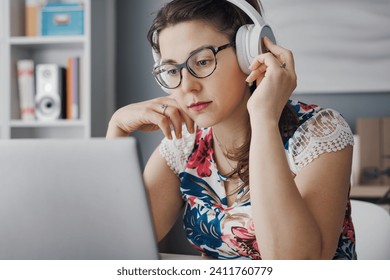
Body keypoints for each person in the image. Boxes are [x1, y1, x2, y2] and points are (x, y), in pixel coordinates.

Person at [106, 0, 356, 260]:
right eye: (172, 70)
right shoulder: (184, 143)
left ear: (250, 55)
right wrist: (117, 130)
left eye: (202, 62)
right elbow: (116, 247)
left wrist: (263, 118)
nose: (187, 86)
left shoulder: (320, 132)